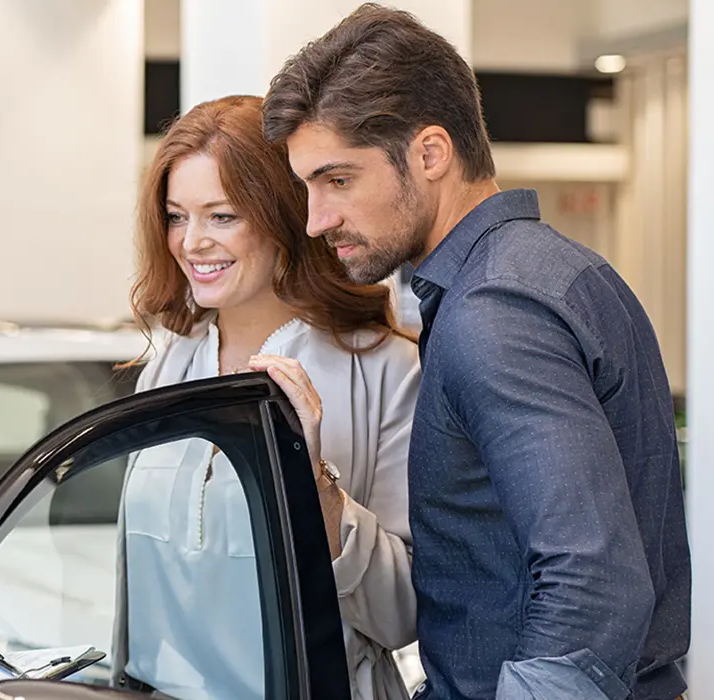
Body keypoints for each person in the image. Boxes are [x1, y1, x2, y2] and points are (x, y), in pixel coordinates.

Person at [262, 5, 691, 700]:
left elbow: (591, 579)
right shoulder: (556, 271)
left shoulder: (494, 312)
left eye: (337, 180)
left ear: (430, 154)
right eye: (307, 186)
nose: (316, 220)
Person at [113, 95, 421, 700]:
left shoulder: (387, 371)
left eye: (221, 216)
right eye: (177, 216)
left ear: (283, 215)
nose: (192, 242)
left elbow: (403, 613)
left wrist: (317, 485)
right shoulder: (170, 362)